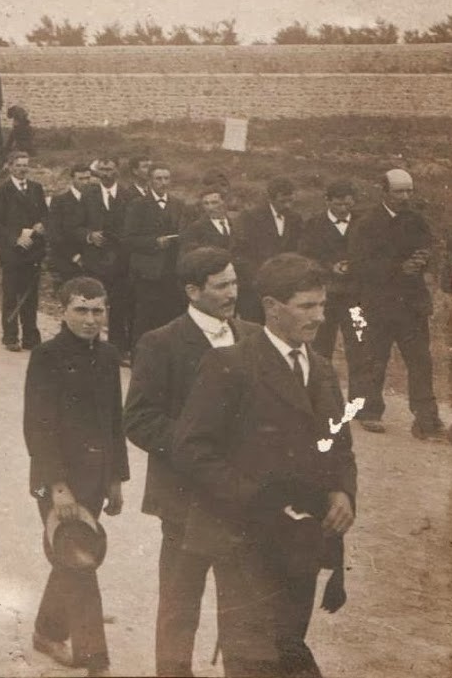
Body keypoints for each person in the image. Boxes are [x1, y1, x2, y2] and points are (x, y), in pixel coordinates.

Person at [173, 254, 356, 677]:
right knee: (253, 657)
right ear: (272, 306)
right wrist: (255, 498)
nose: (319, 317)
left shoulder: (324, 371)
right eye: (306, 306)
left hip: (303, 537)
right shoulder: (230, 365)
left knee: (288, 642)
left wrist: (341, 491)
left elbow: (339, 447)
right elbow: (192, 450)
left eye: (322, 306)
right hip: (243, 537)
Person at [124, 247, 261, 676]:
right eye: (221, 285)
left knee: (243, 608)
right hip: (186, 498)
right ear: (192, 290)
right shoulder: (161, 342)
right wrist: (198, 451)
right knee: (180, 603)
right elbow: (140, 419)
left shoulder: (253, 336)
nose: (232, 293)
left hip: (241, 498)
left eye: (235, 282)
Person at [23, 277, 127, 678]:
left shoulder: (107, 355)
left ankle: (47, 630)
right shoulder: (46, 357)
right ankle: (94, 656)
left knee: (71, 558)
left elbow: (113, 423)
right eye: (81, 310)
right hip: (57, 481)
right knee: (80, 561)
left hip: (96, 478)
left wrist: (116, 477)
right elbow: (38, 426)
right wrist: (58, 486)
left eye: (97, 310)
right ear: (62, 311)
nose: (90, 319)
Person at [348, 169, 447, 439]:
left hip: (411, 306)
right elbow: (360, 265)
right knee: (375, 359)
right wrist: (399, 268)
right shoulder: (366, 224)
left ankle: (426, 419)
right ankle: (369, 411)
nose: (405, 197)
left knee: (420, 361)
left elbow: (427, 248)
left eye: (409, 191)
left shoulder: (416, 221)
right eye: (399, 191)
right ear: (384, 192)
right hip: (379, 304)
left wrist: (421, 260)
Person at [298, 180, 360, 377]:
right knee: (321, 348)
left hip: (356, 298)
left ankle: (358, 405)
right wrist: (329, 267)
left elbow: (373, 253)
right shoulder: (314, 224)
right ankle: (321, 398)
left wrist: (355, 266)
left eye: (348, 205)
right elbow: (306, 257)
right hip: (326, 299)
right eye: (338, 204)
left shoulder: (363, 223)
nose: (343, 209)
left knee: (359, 346)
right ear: (327, 201)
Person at [0, 152, 48, 351]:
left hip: (33, 251)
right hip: (12, 253)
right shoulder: (1, 191)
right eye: (19, 165)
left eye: (26, 165)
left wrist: (41, 225)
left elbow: (46, 216)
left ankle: (31, 336)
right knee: (11, 294)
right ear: (10, 167)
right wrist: (14, 239)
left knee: (31, 295)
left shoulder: (36, 189)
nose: (23, 169)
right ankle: (10, 336)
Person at [124, 163, 185, 345]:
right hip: (147, 273)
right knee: (144, 321)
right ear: (150, 181)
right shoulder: (138, 205)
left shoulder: (178, 204)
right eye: (158, 179)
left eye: (166, 178)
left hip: (172, 272)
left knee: (169, 320)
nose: (163, 183)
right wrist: (154, 243)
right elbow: (128, 239)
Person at [233, 178, 303, 322]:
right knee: (255, 327)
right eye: (283, 201)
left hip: (283, 286)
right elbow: (238, 252)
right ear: (271, 198)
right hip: (255, 287)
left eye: (290, 201)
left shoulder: (295, 219)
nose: (288, 205)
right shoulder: (250, 217)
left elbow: (298, 250)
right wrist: (258, 275)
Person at [83, 157, 132, 354]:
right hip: (95, 259)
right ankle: (90, 346)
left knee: (118, 306)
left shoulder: (128, 196)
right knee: (94, 304)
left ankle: (116, 350)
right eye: (102, 169)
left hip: (120, 261)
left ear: (117, 171)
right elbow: (76, 224)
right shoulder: (88, 194)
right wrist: (89, 235)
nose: (106, 173)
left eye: (110, 169)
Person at [46, 164, 91, 284]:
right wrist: (75, 256)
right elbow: (54, 234)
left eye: (87, 178)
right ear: (72, 179)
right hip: (67, 259)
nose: (85, 182)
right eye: (81, 179)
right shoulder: (60, 201)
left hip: (92, 259)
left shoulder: (95, 200)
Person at [179, 185, 233, 254]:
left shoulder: (236, 224)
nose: (210, 207)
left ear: (224, 203)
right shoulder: (196, 228)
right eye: (206, 203)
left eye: (214, 202)